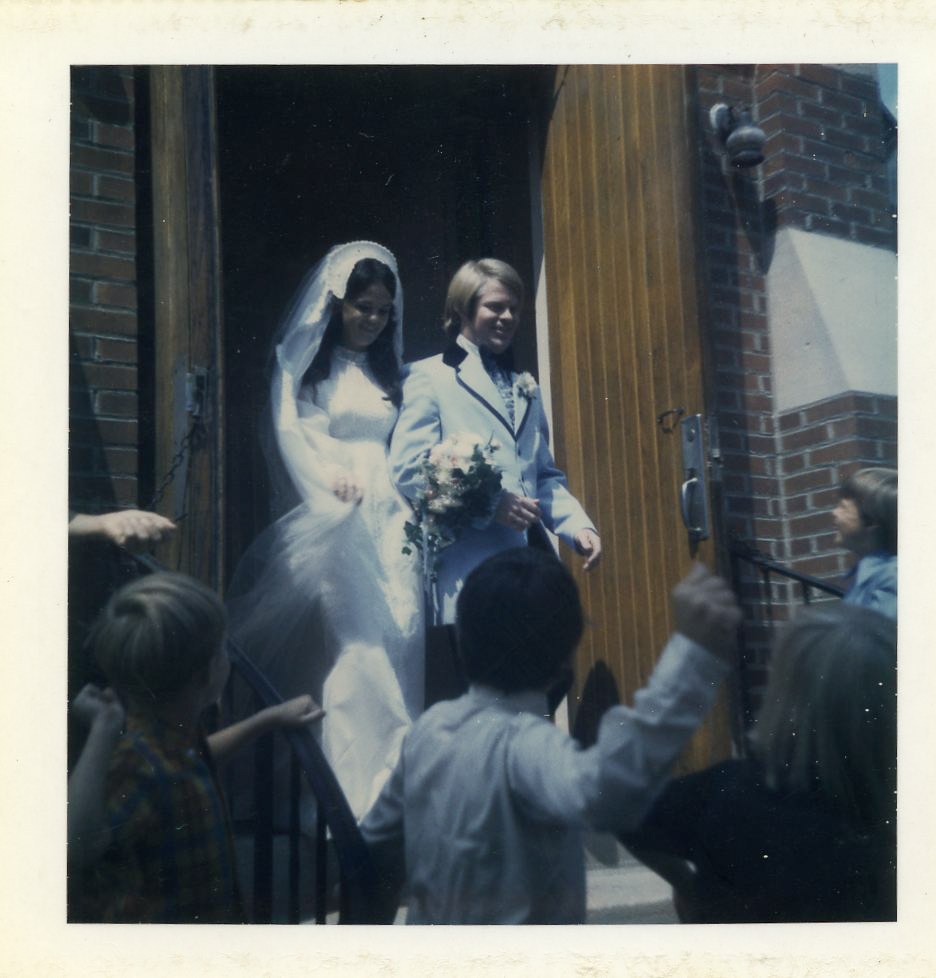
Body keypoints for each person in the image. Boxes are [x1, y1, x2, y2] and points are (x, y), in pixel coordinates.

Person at [360, 550, 741, 925]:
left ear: (460, 638)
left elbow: (371, 849)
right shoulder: (524, 745)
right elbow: (607, 790)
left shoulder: (426, 732)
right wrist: (694, 658)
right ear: (566, 657)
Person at [225, 241, 424, 821]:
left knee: (401, 636)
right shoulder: (306, 367)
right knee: (356, 648)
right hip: (340, 510)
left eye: (383, 311)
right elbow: (293, 431)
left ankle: (395, 795)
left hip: (391, 517)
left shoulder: (390, 373)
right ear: (338, 305)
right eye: (363, 307)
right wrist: (327, 476)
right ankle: (350, 801)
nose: (373, 320)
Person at [619, 602, 897, 923]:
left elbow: (621, 807)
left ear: (784, 696)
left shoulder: (730, 792)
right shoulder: (892, 820)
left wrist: (687, 885)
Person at [72, 572, 324, 923]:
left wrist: (267, 719)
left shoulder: (167, 739)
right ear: (206, 675)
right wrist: (102, 729)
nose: (228, 656)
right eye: (223, 648)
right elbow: (77, 847)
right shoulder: (133, 765)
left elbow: (194, 760)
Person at [389, 258, 600, 628]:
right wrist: (490, 503)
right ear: (462, 309)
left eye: (514, 309)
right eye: (495, 307)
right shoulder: (429, 377)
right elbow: (409, 470)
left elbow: (542, 474)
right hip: (471, 571)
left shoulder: (524, 386)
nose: (507, 317)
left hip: (530, 568)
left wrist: (578, 527)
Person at [832, 467, 897, 619]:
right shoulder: (866, 576)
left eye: (843, 507)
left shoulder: (891, 577)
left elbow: (880, 632)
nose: (834, 512)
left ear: (871, 521)